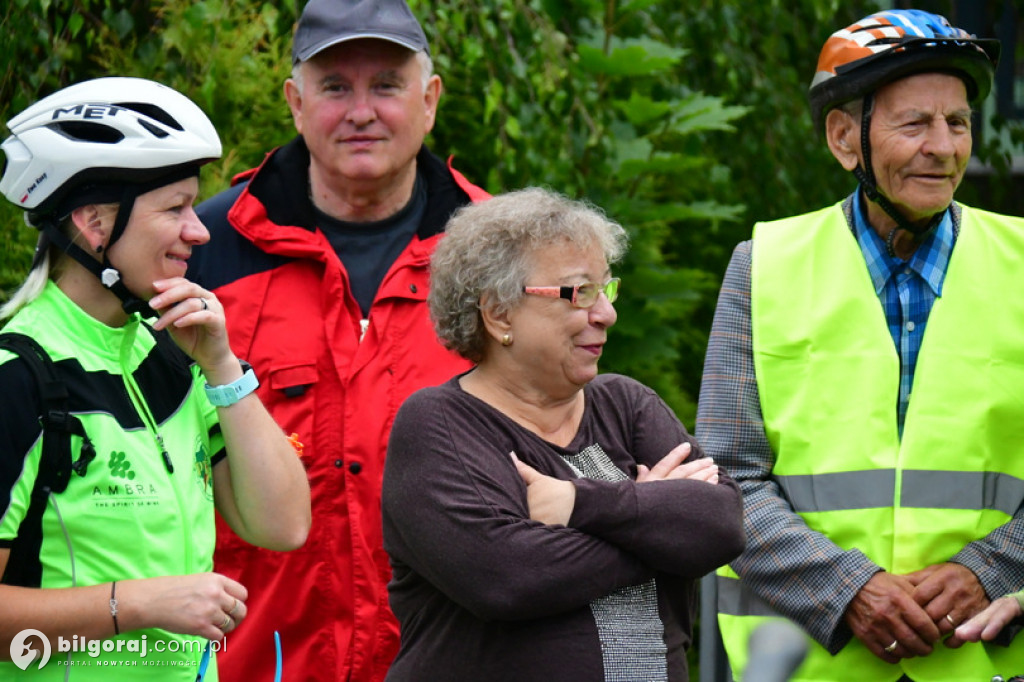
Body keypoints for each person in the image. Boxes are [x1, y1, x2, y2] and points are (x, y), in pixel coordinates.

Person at [696, 9, 1024, 682]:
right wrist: (846, 590)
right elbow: (726, 478)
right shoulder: (762, 267)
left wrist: (989, 568)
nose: (943, 146)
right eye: (915, 123)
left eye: (957, 122)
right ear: (846, 139)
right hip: (802, 666)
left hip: (984, 663)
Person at [185, 0, 489, 679]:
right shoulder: (202, 247)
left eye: (386, 84)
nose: (361, 111)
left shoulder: (499, 251)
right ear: (295, 102)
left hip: (456, 656)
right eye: (334, 87)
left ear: (430, 99)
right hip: (255, 657)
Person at [0, 77, 311, 679]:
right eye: (175, 208)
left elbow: (284, 525)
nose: (199, 231)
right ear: (95, 223)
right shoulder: (19, 377)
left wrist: (221, 368)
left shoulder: (167, 357)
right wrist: (135, 603)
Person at [381, 187, 745, 681]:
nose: (606, 314)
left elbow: (720, 526)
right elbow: (509, 578)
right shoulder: (441, 424)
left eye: (607, 290)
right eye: (580, 293)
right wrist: (656, 519)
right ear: (499, 314)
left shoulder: (626, 404)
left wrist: (580, 504)